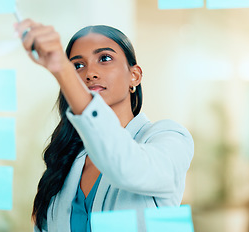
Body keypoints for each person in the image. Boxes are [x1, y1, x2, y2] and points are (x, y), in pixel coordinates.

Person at [15, 19, 194, 232]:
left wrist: (62, 68)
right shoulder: (67, 159)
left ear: (134, 76)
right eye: (77, 66)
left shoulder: (168, 138)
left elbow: (125, 167)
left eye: (105, 58)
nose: (90, 73)